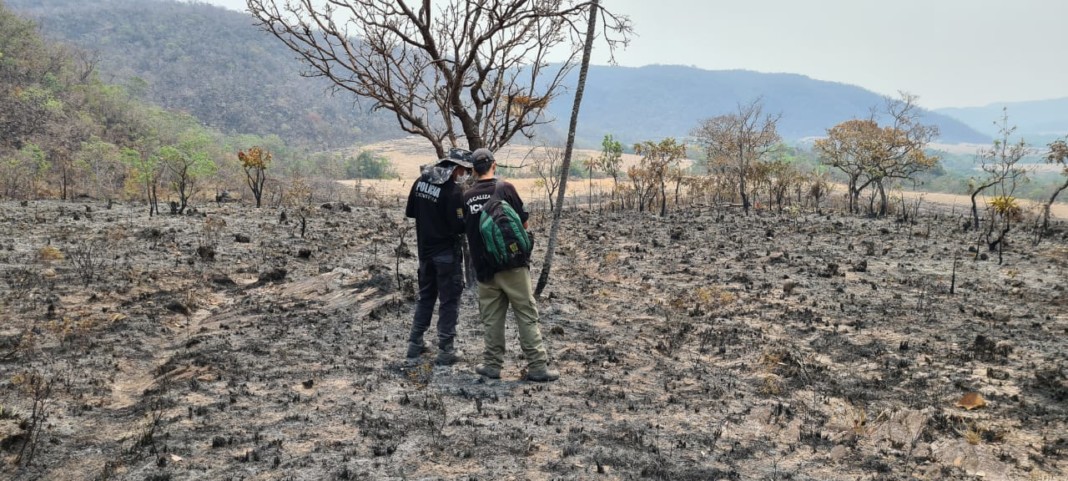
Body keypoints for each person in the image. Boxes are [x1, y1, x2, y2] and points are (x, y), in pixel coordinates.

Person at [462, 148, 559, 382]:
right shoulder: (505, 188)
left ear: (473, 170)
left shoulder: (466, 197)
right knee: (525, 313)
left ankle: (492, 366)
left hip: (484, 269)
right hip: (513, 264)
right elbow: (523, 224)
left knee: (492, 317)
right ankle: (537, 366)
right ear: (494, 165)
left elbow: (467, 232)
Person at [404, 148, 472, 365]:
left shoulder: (420, 182)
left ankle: (415, 344)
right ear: (455, 167)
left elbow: (411, 212)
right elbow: (459, 226)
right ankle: (446, 350)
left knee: (426, 297)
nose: (463, 174)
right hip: (446, 256)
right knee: (449, 300)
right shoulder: (452, 192)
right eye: (463, 170)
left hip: (424, 253)